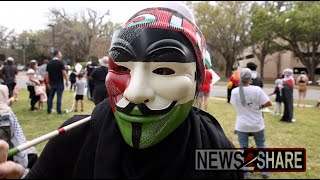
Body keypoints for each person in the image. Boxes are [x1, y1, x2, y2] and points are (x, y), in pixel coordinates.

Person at [0, 2, 243, 179]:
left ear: (198, 80)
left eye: (165, 71)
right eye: (122, 68)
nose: (135, 93)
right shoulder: (74, 139)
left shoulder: (218, 153)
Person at [230, 68, 272, 179]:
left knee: (244, 148)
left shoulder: (235, 91)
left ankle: (246, 172)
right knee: (261, 146)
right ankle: (264, 171)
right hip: (257, 124)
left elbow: (236, 105)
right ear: (250, 78)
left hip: (242, 124)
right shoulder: (257, 90)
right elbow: (269, 103)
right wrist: (258, 106)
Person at [0, 85, 28, 168]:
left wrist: (14, 97)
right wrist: (22, 160)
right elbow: (17, 139)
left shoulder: (5, 111)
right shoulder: (6, 115)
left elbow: (5, 104)